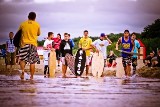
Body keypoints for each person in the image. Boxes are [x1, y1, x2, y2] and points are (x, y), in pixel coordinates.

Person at [18, 12, 41, 80]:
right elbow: (38, 34)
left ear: (28, 16)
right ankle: (32, 77)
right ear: (35, 17)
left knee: (22, 59)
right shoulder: (37, 24)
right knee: (32, 61)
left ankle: (22, 71)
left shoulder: (23, 24)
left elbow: (18, 33)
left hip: (24, 44)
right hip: (33, 44)